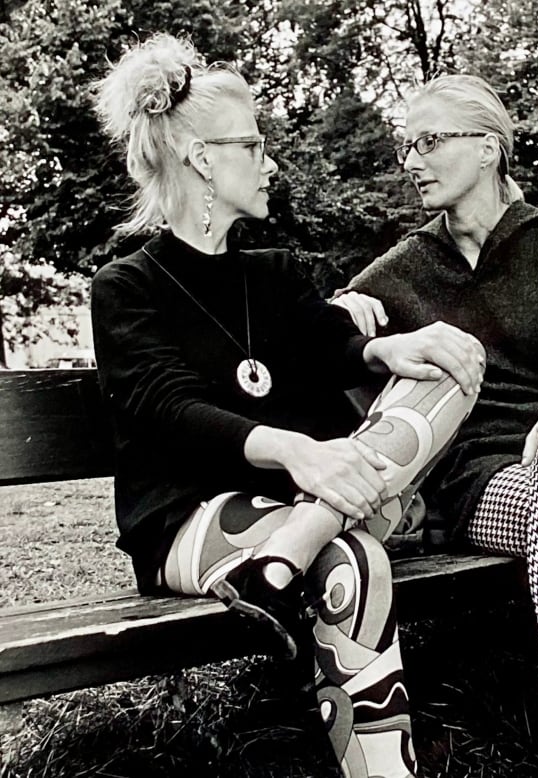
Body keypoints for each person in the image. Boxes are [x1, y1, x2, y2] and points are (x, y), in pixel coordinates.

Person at [90, 35, 485, 778]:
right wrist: (296, 450)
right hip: (187, 518)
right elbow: (165, 406)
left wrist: (391, 350)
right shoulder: (127, 286)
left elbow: (333, 344)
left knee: (449, 364)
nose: (271, 162)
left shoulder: (273, 274)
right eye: (256, 144)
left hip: (303, 507)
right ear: (204, 158)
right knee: (358, 560)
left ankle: (288, 552)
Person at [332, 75, 538, 778]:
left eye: (428, 142)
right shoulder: (406, 265)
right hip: (487, 483)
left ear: (487, 148)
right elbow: (320, 332)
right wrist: (355, 327)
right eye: (405, 146)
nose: (410, 161)